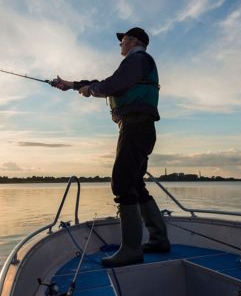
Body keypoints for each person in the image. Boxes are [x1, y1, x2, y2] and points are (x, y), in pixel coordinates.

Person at [54, 27, 170, 267]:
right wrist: (72, 85)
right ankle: (158, 240)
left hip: (136, 127)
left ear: (134, 40)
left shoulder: (138, 59)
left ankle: (131, 250)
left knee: (121, 182)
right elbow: (107, 83)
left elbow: (111, 84)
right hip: (139, 127)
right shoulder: (137, 63)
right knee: (135, 183)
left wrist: (92, 90)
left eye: (123, 39)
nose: (120, 44)